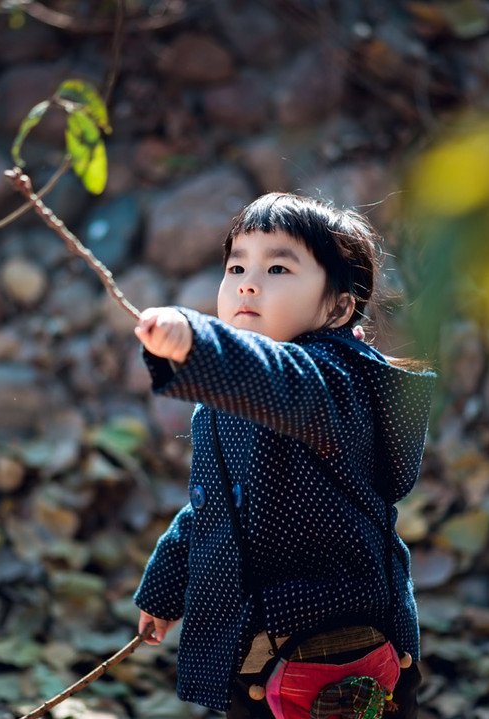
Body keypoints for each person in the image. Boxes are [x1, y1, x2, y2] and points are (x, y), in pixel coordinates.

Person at [132, 192, 435, 719]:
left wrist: (198, 341)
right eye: (236, 265)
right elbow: (216, 509)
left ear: (338, 306)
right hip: (258, 655)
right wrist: (165, 588)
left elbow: (280, 380)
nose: (248, 282)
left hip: (338, 653)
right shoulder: (229, 401)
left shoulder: (335, 380)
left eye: (277, 267)